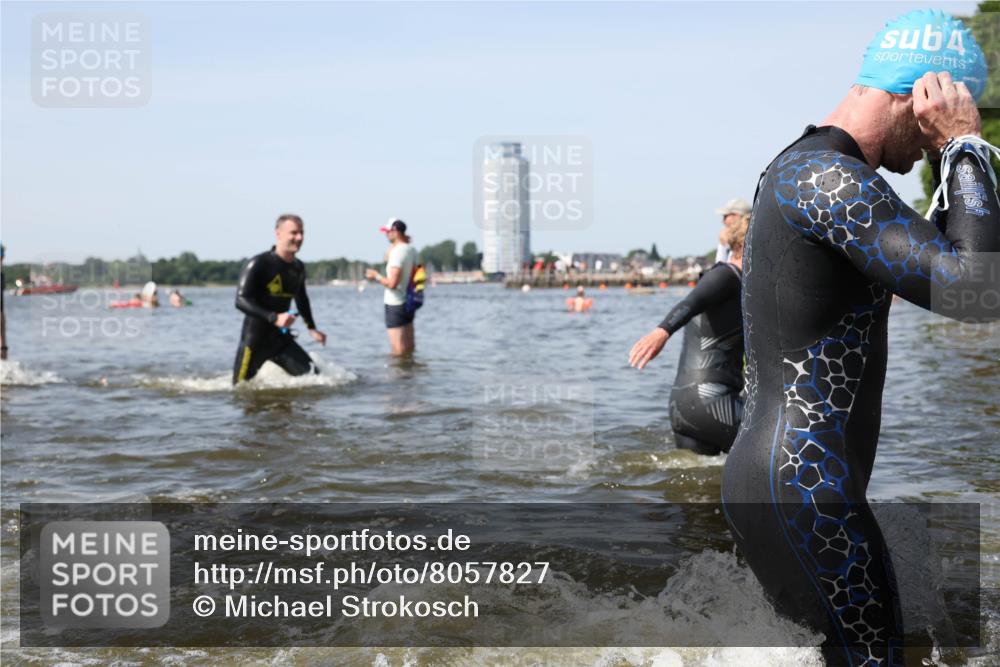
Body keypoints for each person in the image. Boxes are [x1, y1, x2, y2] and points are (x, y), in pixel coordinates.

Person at [721, 10, 996, 666]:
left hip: (788, 479)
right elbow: (977, 289)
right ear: (922, 94)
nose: (931, 144)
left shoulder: (807, 169)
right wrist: (964, 145)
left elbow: (954, 258)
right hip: (805, 484)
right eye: (952, 107)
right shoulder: (828, 179)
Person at [629, 215, 748, 455]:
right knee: (785, 445)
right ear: (749, 243)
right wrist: (662, 331)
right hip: (712, 402)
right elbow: (692, 302)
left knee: (699, 479)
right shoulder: (726, 276)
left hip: (683, 406)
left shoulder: (735, 280)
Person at [232, 214, 327, 384]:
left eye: (302, 233)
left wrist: (312, 328)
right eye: (294, 233)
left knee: (317, 380)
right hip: (254, 341)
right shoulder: (259, 263)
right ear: (278, 234)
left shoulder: (298, 267)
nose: (299, 238)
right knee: (239, 390)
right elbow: (240, 300)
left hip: (280, 341)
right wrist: (274, 318)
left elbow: (302, 299)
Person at [366, 219, 418, 356]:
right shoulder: (411, 250)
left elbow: (393, 283)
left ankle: (398, 370)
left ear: (396, 231)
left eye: (388, 232)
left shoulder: (397, 252)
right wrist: (397, 242)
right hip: (409, 301)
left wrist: (376, 276)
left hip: (395, 303)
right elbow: (386, 259)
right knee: (409, 347)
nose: (386, 235)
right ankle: (411, 368)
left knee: (397, 350)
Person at [714, 198, 750, 263]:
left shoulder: (745, 241)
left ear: (736, 216)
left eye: (725, 216)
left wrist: (724, 245)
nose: (723, 221)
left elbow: (721, 265)